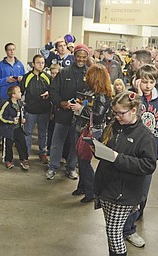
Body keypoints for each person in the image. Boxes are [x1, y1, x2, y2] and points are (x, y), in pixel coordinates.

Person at [94, 91, 157, 256]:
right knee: (111, 230)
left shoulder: (145, 136)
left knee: (114, 233)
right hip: (107, 188)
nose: (117, 116)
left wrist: (117, 158)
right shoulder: (114, 126)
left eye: (121, 113)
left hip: (124, 193)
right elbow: (105, 145)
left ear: (134, 110)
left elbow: (148, 165)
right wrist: (98, 149)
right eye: (115, 113)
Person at [123, 64, 158, 248]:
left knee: (142, 194)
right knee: (129, 191)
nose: (148, 85)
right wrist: (138, 95)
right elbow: (127, 120)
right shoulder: (131, 98)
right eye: (144, 81)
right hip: (132, 151)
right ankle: (127, 228)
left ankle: (131, 225)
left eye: (151, 82)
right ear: (137, 81)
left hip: (150, 153)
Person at [46, 44, 90, 180]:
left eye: (83, 57)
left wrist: (84, 105)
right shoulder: (64, 72)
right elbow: (53, 91)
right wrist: (61, 103)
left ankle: (71, 168)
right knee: (57, 142)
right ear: (74, 56)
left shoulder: (90, 74)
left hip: (80, 117)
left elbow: (94, 94)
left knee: (75, 145)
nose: (81, 60)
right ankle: (53, 167)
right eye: (78, 57)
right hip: (63, 115)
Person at [71, 64, 112, 203]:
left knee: (84, 162)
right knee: (81, 160)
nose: (85, 78)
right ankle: (83, 187)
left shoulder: (102, 96)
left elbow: (98, 116)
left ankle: (91, 192)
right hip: (84, 129)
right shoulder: (93, 92)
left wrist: (80, 108)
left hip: (92, 132)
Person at [0, 43, 25, 151]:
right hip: (5, 97)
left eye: (13, 49)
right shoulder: (0, 65)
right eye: (10, 50)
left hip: (16, 98)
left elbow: (24, 79)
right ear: (6, 51)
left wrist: (20, 79)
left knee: (16, 118)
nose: (12, 52)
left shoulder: (19, 64)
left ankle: (13, 139)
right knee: (3, 119)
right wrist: (6, 80)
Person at [19, 54, 51, 163]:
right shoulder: (26, 77)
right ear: (33, 64)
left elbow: (54, 91)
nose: (40, 65)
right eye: (38, 62)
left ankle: (42, 153)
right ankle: (26, 155)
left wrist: (49, 93)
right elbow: (20, 93)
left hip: (44, 111)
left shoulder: (47, 77)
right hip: (30, 111)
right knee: (28, 133)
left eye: (42, 63)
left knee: (43, 133)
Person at [0, 85, 29, 170]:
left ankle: (24, 159)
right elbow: (1, 116)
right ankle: (8, 160)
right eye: (19, 92)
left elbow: (22, 112)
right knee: (8, 145)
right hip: (8, 129)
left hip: (18, 128)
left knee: (22, 144)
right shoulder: (7, 104)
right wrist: (11, 121)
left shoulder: (20, 103)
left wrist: (23, 119)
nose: (21, 93)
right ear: (13, 95)